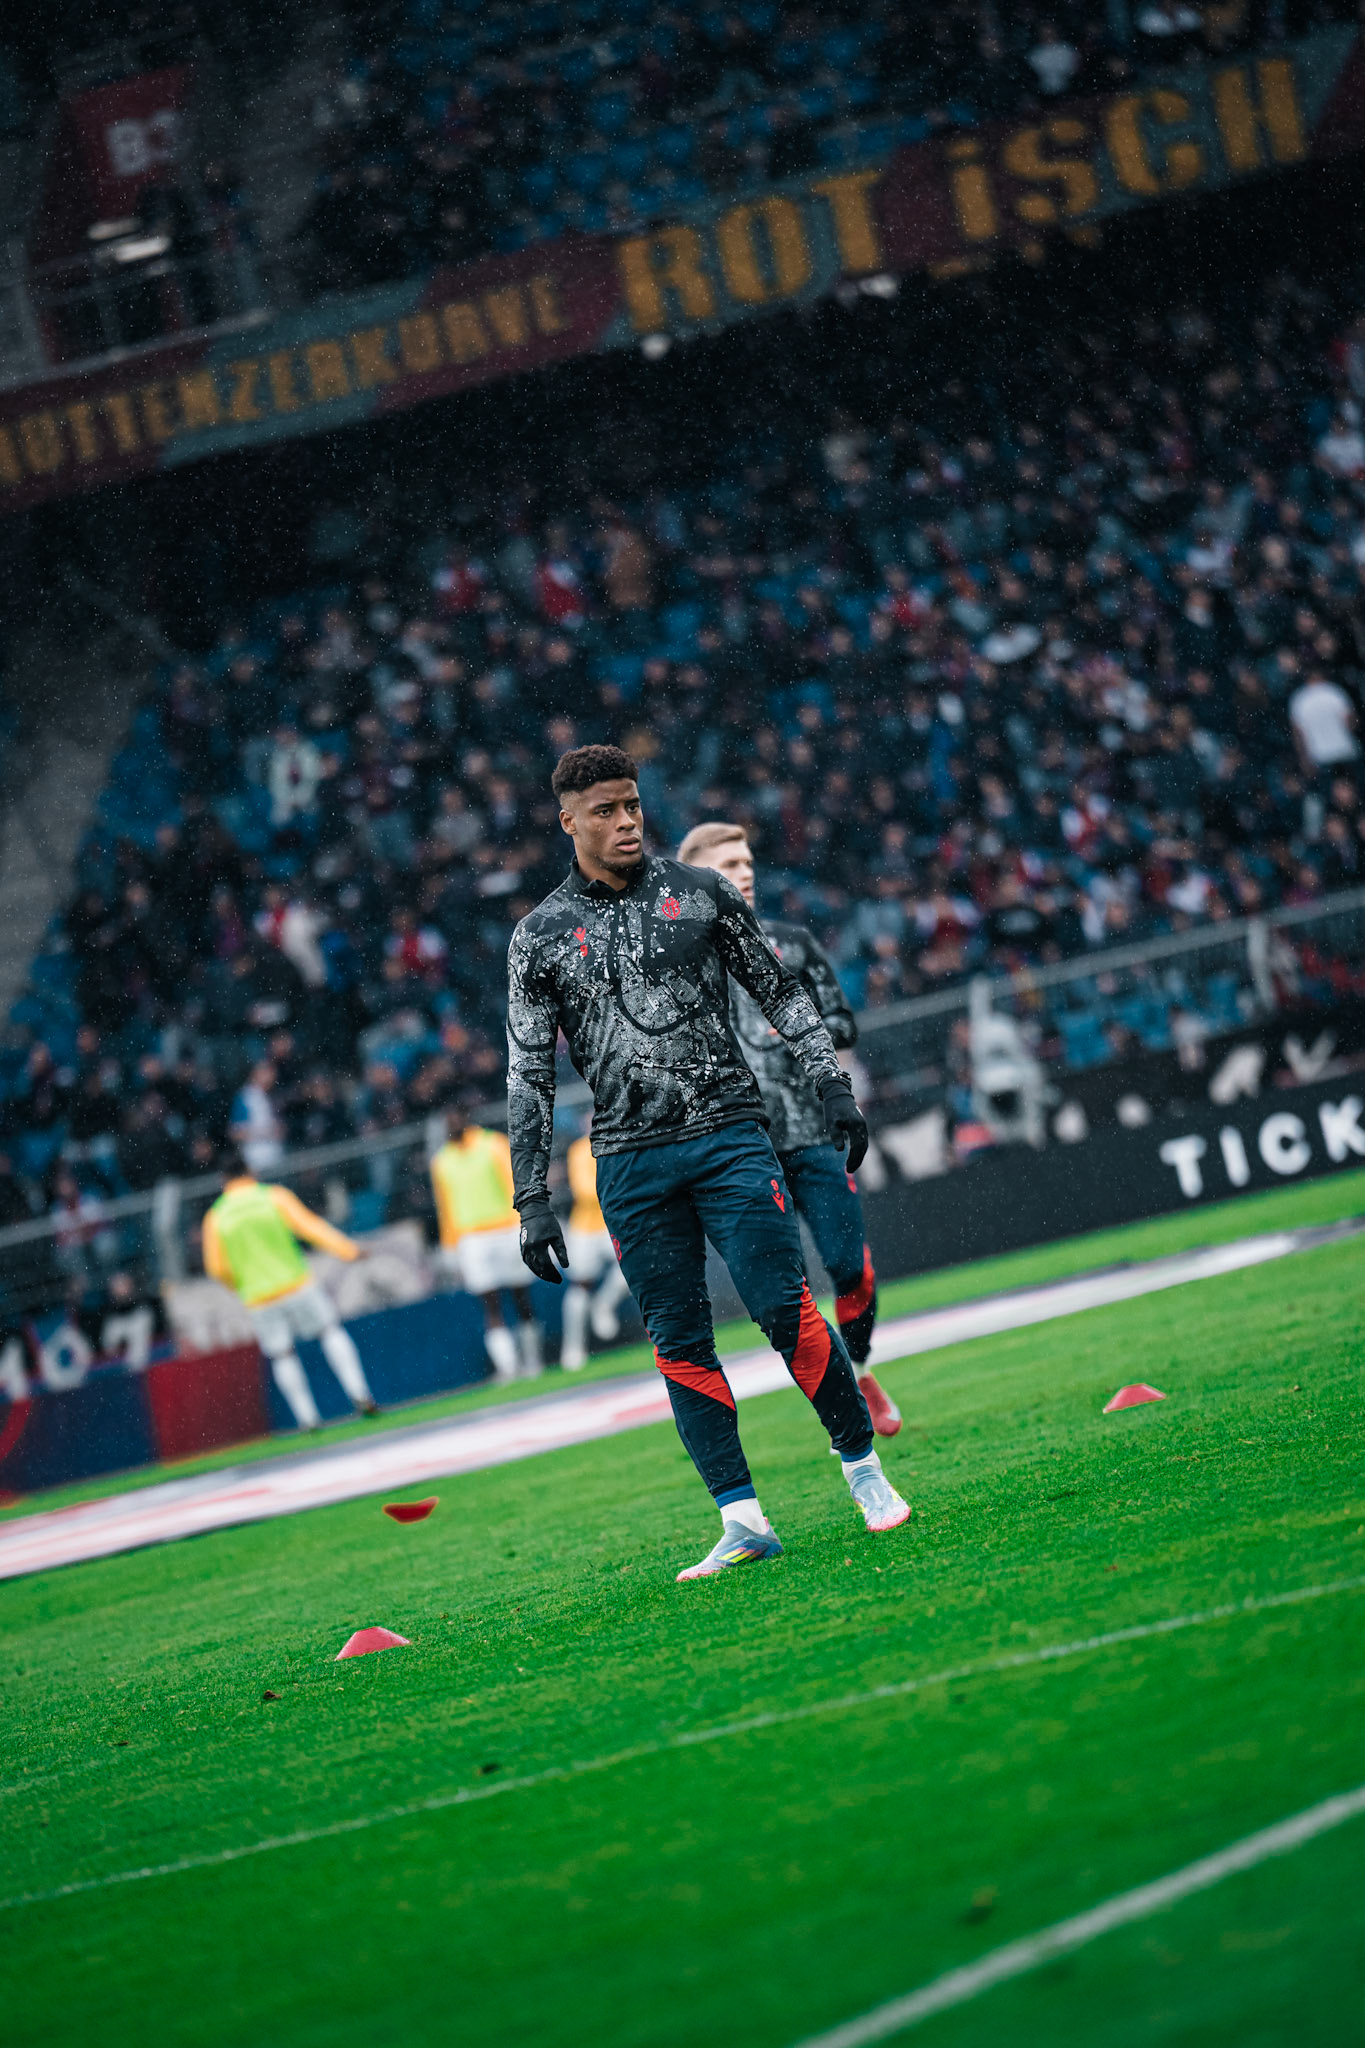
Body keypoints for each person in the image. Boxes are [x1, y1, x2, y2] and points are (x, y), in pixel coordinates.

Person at [507, 744, 908, 1583]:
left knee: (781, 1307)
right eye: (606, 811)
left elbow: (778, 993)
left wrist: (833, 1087)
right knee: (678, 1341)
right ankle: (741, 1517)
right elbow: (528, 1071)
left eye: (633, 806)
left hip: (729, 1136)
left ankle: (863, 1472)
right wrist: (530, 1197)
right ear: (567, 820)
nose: (625, 822)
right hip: (625, 1164)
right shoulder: (538, 937)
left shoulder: (701, 894)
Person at [677, 821, 899, 1437]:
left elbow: (843, 1023)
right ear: (696, 872)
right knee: (787, 1291)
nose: (744, 871)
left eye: (747, 860)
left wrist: (804, 1035)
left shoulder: (792, 943)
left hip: (812, 1131)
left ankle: (863, 1363)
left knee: (847, 1266)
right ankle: (842, 1411)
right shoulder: (679, 959)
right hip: (741, 1148)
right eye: (729, 862)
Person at [202, 1153, 378, 1430]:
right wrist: (349, 1250)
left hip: (258, 1296)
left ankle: (307, 1419)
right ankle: (361, 1396)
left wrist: (242, 1285)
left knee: (282, 1354)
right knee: (329, 1331)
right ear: (250, 1170)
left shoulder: (216, 1217)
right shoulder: (273, 1196)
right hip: (296, 1283)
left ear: (223, 1180)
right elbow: (311, 1228)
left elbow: (216, 1268)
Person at [430, 1107, 544, 1381]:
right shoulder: (441, 1161)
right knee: (489, 1304)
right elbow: (444, 1207)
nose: (453, 1122)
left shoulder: (492, 1144)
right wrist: (449, 1245)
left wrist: (524, 1221)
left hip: (505, 1229)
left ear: (466, 1119)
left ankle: (533, 1360)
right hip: (472, 1240)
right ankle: (508, 1367)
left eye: (456, 1116)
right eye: (448, 1119)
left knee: (521, 1298)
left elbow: (513, 1182)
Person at [560, 1119, 632, 1369]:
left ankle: (604, 1304)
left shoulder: (617, 1144)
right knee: (580, 1286)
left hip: (611, 1221)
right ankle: (573, 1348)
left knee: (632, 1268)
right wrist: (617, 1188)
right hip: (585, 1227)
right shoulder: (579, 1150)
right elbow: (585, 1191)